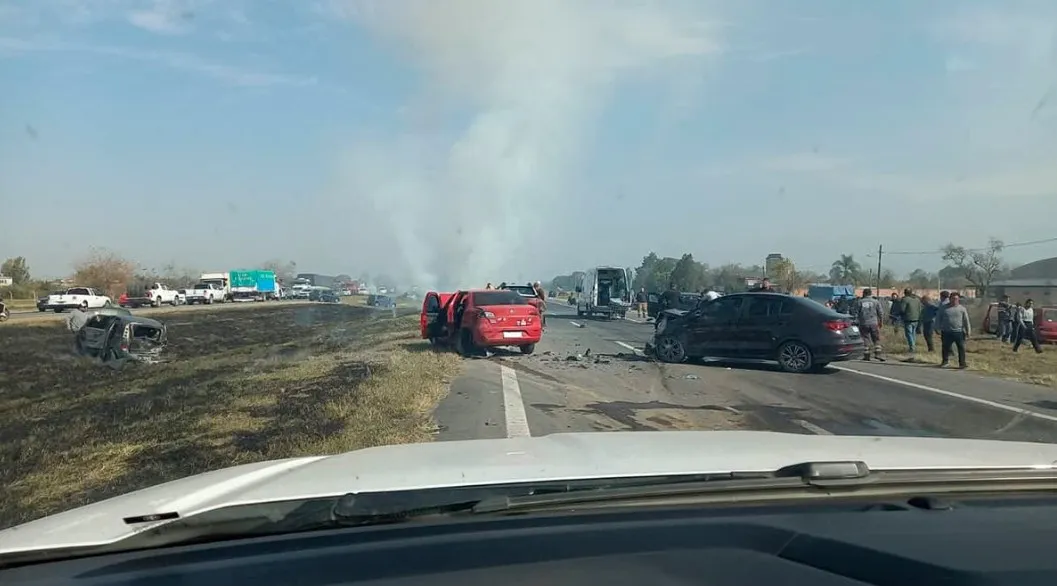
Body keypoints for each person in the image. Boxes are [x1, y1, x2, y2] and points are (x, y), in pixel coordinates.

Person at [935, 292, 970, 369]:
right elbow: (938, 318)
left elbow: (966, 320)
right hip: (946, 331)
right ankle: (945, 362)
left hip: (958, 332)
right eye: (953, 299)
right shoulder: (943, 308)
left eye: (956, 299)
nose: (955, 300)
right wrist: (937, 328)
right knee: (945, 347)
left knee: (961, 348)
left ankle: (962, 364)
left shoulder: (962, 309)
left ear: (958, 299)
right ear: (950, 299)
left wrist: (968, 331)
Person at [855, 288, 885, 361]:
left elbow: (856, 313)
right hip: (874, 323)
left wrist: (856, 322)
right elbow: (880, 313)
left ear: (864, 293)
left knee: (865, 339)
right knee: (876, 339)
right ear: (871, 293)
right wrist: (881, 322)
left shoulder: (860, 302)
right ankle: (878, 354)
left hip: (863, 323)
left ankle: (867, 355)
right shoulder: (876, 302)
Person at [900, 288, 922, 360]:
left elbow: (902, 309)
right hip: (916, 318)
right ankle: (913, 346)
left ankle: (912, 347)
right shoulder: (917, 299)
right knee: (913, 333)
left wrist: (900, 315)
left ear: (905, 293)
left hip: (908, 318)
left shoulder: (905, 299)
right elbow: (920, 309)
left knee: (908, 334)